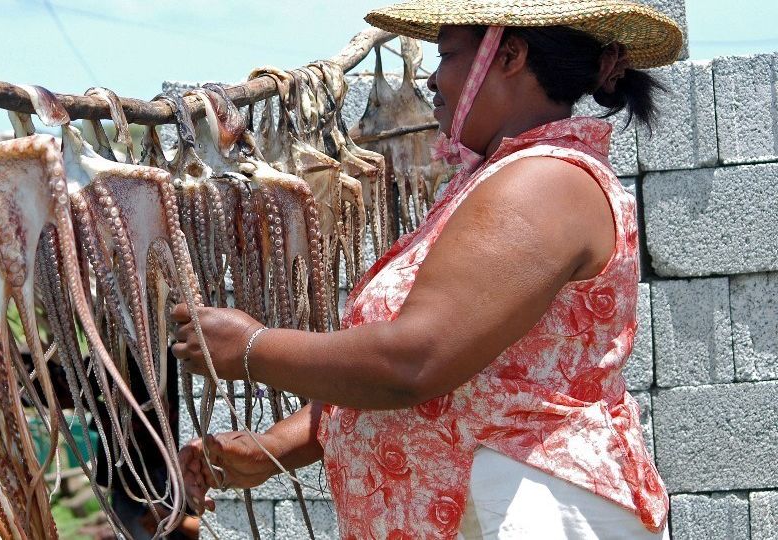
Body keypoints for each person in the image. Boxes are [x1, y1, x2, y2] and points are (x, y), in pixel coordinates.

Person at [171, 1, 683, 537]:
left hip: (521, 511)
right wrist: (278, 444)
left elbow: (415, 361)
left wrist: (252, 348)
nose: (433, 79)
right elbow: (455, 380)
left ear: (508, 54)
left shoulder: (544, 183)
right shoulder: (492, 178)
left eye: (446, 55)